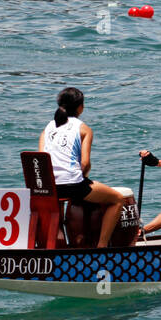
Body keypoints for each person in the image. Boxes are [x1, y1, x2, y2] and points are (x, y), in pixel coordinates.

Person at [38, 87, 126, 248]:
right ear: (80, 107)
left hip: (47, 187)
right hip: (72, 185)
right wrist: (82, 177)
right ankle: (102, 246)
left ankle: (56, 245)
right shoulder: (83, 129)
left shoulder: (48, 128)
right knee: (117, 199)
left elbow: (41, 160)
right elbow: (85, 164)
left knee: (60, 200)